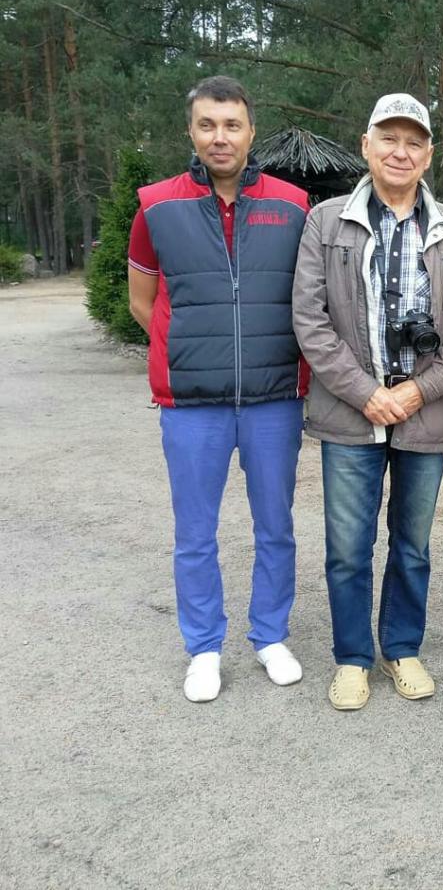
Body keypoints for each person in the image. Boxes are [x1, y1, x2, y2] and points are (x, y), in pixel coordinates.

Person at [292, 93, 443, 711]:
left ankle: (401, 647)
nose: (401, 152)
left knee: (413, 545)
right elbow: (310, 320)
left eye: (414, 142)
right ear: (367, 145)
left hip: (426, 413)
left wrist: (418, 390)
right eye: (389, 138)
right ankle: (352, 658)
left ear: (429, 155)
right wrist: (366, 392)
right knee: (348, 549)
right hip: (351, 414)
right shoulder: (326, 222)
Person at [127, 75, 310, 703]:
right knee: (194, 535)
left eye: (232, 125)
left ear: (251, 131)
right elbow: (143, 300)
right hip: (192, 405)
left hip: (273, 398)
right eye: (207, 125)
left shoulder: (292, 204)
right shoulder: (156, 206)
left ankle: (270, 636)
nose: (220, 137)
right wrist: (188, 351)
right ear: (192, 131)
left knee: (276, 526)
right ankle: (203, 648)